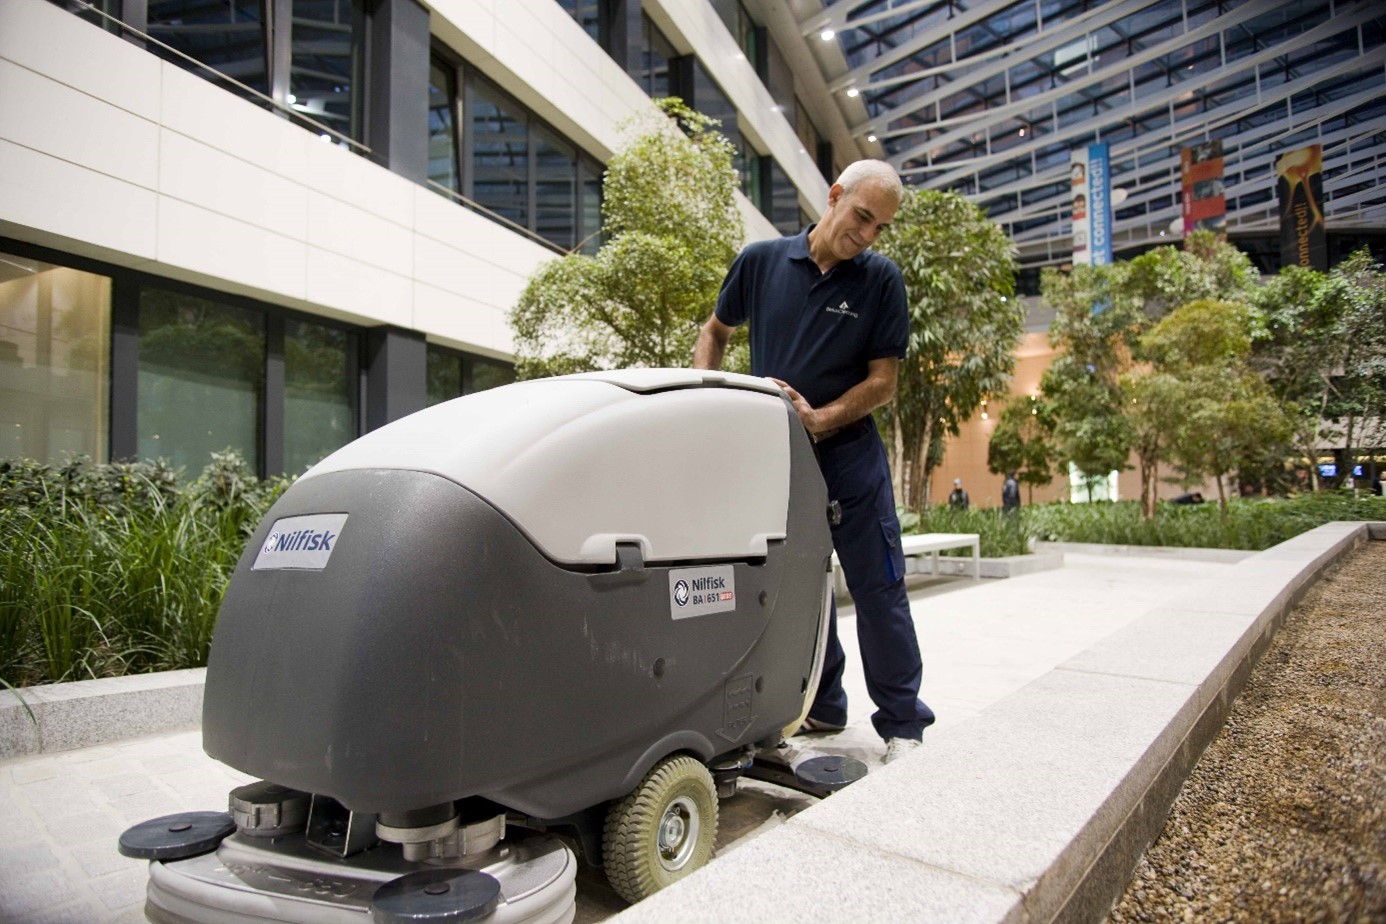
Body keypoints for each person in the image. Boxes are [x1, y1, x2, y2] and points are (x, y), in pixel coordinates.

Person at [692, 159, 933, 764]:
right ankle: (823, 703)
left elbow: (884, 383)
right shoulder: (762, 263)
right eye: (862, 217)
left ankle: (903, 723)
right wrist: (708, 397)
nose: (868, 235)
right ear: (833, 197)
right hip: (777, 457)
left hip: (850, 457)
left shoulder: (880, 281)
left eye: (880, 227)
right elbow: (715, 331)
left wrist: (821, 419)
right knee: (793, 583)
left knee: (879, 587)